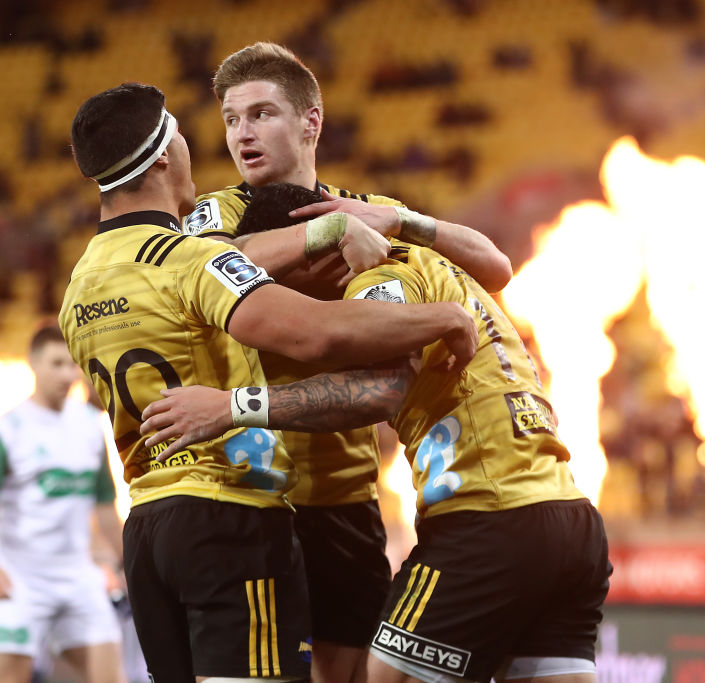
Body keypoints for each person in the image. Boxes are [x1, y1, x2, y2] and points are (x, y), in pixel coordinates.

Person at [60, 82, 478, 683]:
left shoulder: (78, 285)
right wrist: (438, 315)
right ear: (161, 158)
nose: (219, 138)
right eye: (187, 132)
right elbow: (316, 335)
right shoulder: (191, 256)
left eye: (258, 114)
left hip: (150, 524)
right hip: (231, 517)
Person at [139, 181, 612, 683]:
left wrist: (232, 407)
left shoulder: (380, 275)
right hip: (571, 519)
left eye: (281, 280)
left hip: (488, 516)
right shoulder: (434, 258)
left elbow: (383, 389)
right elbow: (498, 267)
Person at [183, 41, 513, 683]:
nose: (241, 134)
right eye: (231, 119)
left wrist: (399, 218)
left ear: (311, 122)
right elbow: (200, 269)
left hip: (344, 499)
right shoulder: (215, 215)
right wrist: (323, 235)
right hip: (250, 498)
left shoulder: (358, 210)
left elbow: (495, 268)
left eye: (261, 114)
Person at [0, 325, 126, 683]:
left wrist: (124, 565)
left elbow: (104, 506)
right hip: (21, 579)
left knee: (110, 677)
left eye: (72, 365)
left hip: (77, 577)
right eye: (56, 364)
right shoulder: (9, 429)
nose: (67, 374)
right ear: (33, 364)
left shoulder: (90, 425)